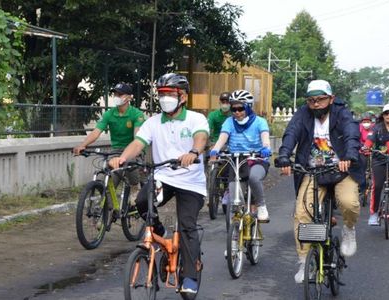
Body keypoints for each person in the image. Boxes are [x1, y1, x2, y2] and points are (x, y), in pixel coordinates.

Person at [109, 73, 209, 294]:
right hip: (164, 177)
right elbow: (138, 143)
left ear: (182, 97)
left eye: (170, 94)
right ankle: (160, 233)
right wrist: (123, 158)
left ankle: (190, 276)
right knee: (143, 202)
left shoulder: (196, 119)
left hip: (190, 182)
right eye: (162, 94)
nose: (165, 99)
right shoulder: (153, 122)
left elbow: (200, 137)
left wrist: (193, 152)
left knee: (187, 226)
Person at [275, 79, 362, 284]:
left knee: (349, 202)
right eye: (311, 100)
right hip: (312, 170)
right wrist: (285, 156)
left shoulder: (341, 113)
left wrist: (349, 156)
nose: (316, 104)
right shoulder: (303, 114)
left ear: (331, 99)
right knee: (301, 213)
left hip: (341, 170)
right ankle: (305, 260)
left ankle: (349, 229)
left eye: (320, 100)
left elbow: (351, 134)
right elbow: (291, 133)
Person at [209, 89, 271, 222]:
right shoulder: (229, 122)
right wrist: (215, 149)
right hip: (237, 160)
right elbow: (222, 138)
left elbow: (265, 138)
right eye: (234, 109)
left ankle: (261, 206)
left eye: (240, 108)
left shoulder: (260, 122)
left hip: (257, 159)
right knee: (234, 195)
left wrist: (266, 147)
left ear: (248, 107)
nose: (237, 112)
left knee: (254, 178)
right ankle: (236, 234)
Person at [73, 83, 145, 187]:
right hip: (115, 151)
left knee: (134, 181)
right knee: (108, 181)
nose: (116, 97)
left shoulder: (137, 114)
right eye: (115, 94)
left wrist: (131, 154)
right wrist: (83, 145)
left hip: (132, 151)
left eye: (120, 95)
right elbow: (96, 131)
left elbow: (137, 137)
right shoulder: (109, 114)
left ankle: (135, 191)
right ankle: (106, 199)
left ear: (129, 97)